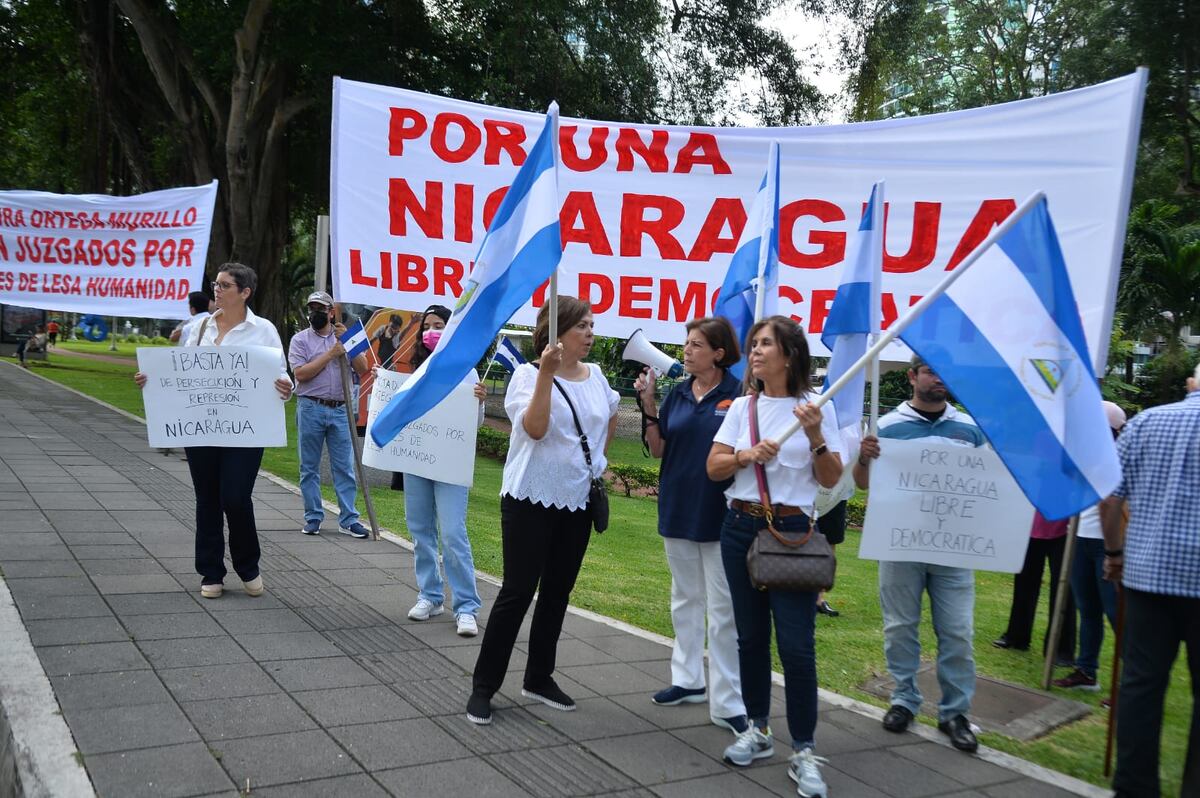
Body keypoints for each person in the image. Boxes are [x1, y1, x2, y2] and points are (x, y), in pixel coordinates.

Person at [706, 315, 843, 798]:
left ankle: (803, 749)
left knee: (797, 646)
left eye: (767, 344)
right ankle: (758, 729)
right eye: (754, 344)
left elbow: (830, 478)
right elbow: (715, 466)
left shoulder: (815, 408)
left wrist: (816, 436)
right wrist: (746, 457)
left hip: (790, 533)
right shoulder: (743, 407)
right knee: (750, 638)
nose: (757, 351)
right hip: (739, 528)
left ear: (790, 355)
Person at [467, 296, 619, 726]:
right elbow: (534, 429)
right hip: (530, 497)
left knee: (557, 593)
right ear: (556, 333)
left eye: (592, 326)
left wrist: (598, 463)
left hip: (576, 502)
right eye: (582, 327)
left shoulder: (598, 377)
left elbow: (609, 414)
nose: (590, 334)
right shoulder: (526, 375)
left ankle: (539, 677)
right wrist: (547, 376)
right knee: (517, 591)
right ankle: (483, 686)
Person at [134, 263, 292, 599]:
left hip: (244, 430)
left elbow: (280, 373)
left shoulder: (263, 330)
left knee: (235, 497)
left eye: (224, 285)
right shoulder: (199, 329)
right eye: (214, 284)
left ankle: (248, 565)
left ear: (245, 292)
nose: (216, 290)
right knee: (207, 500)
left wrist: (285, 386)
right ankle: (211, 572)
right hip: (201, 427)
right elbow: (181, 373)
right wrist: (152, 379)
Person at [854, 355, 986, 753]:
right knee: (900, 626)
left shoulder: (970, 429)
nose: (939, 378)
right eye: (930, 370)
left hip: (952, 548)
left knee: (958, 631)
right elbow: (862, 484)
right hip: (900, 545)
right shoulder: (888, 427)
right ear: (912, 377)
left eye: (945, 371)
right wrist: (864, 457)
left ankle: (954, 712)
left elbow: (987, 485)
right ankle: (904, 699)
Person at [634, 316, 748, 734]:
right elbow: (659, 447)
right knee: (685, 599)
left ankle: (728, 700)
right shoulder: (679, 393)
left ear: (719, 353)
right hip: (679, 507)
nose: (687, 350)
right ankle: (687, 680)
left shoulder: (739, 396)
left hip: (722, 514)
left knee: (723, 610)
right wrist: (648, 404)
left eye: (697, 344)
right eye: (687, 343)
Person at [1102, 366, 1200, 798]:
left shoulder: (1145, 422)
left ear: (1193, 383)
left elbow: (1111, 497)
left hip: (1147, 575)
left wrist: (1114, 553)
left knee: (1141, 683)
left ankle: (1134, 787)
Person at [403, 304, 487, 637]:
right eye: (427, 325)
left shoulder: (467, 370)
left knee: (452, 533)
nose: (432, 330)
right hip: (417, 460)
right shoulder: (413, 370)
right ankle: (430, 595)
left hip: (451, 461)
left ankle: (466, 606)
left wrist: (479, 402)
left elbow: (473, 425)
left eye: (439, 324)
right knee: (421, 530)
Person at [1054, 401, 1126, 693]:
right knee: (1088, 608)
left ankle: (1127, 683)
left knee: (1115, 612)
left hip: (1106, 543)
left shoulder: (1120, 458)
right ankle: (1086, 670)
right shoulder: (1082, 456)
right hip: (1080, 538)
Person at [288, 291, 370, 539]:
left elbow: (363, 368)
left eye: (321, 308)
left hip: (340, 410)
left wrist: (347, 344)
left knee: (344, 467)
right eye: (312, 308)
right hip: (311, 406)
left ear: (332, 312)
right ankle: (313, 517)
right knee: (309, 467)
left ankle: (349, 519)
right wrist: (331, 354)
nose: (316, 313)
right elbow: (301, 374)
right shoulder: (300, 340)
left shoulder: (346, 336)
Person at [993, 512, 1077, 666]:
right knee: (1024, 583)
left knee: (1063, 589)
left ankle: (1061, 649)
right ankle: (1017, 636)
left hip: (1065, 528)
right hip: (1031, 526)